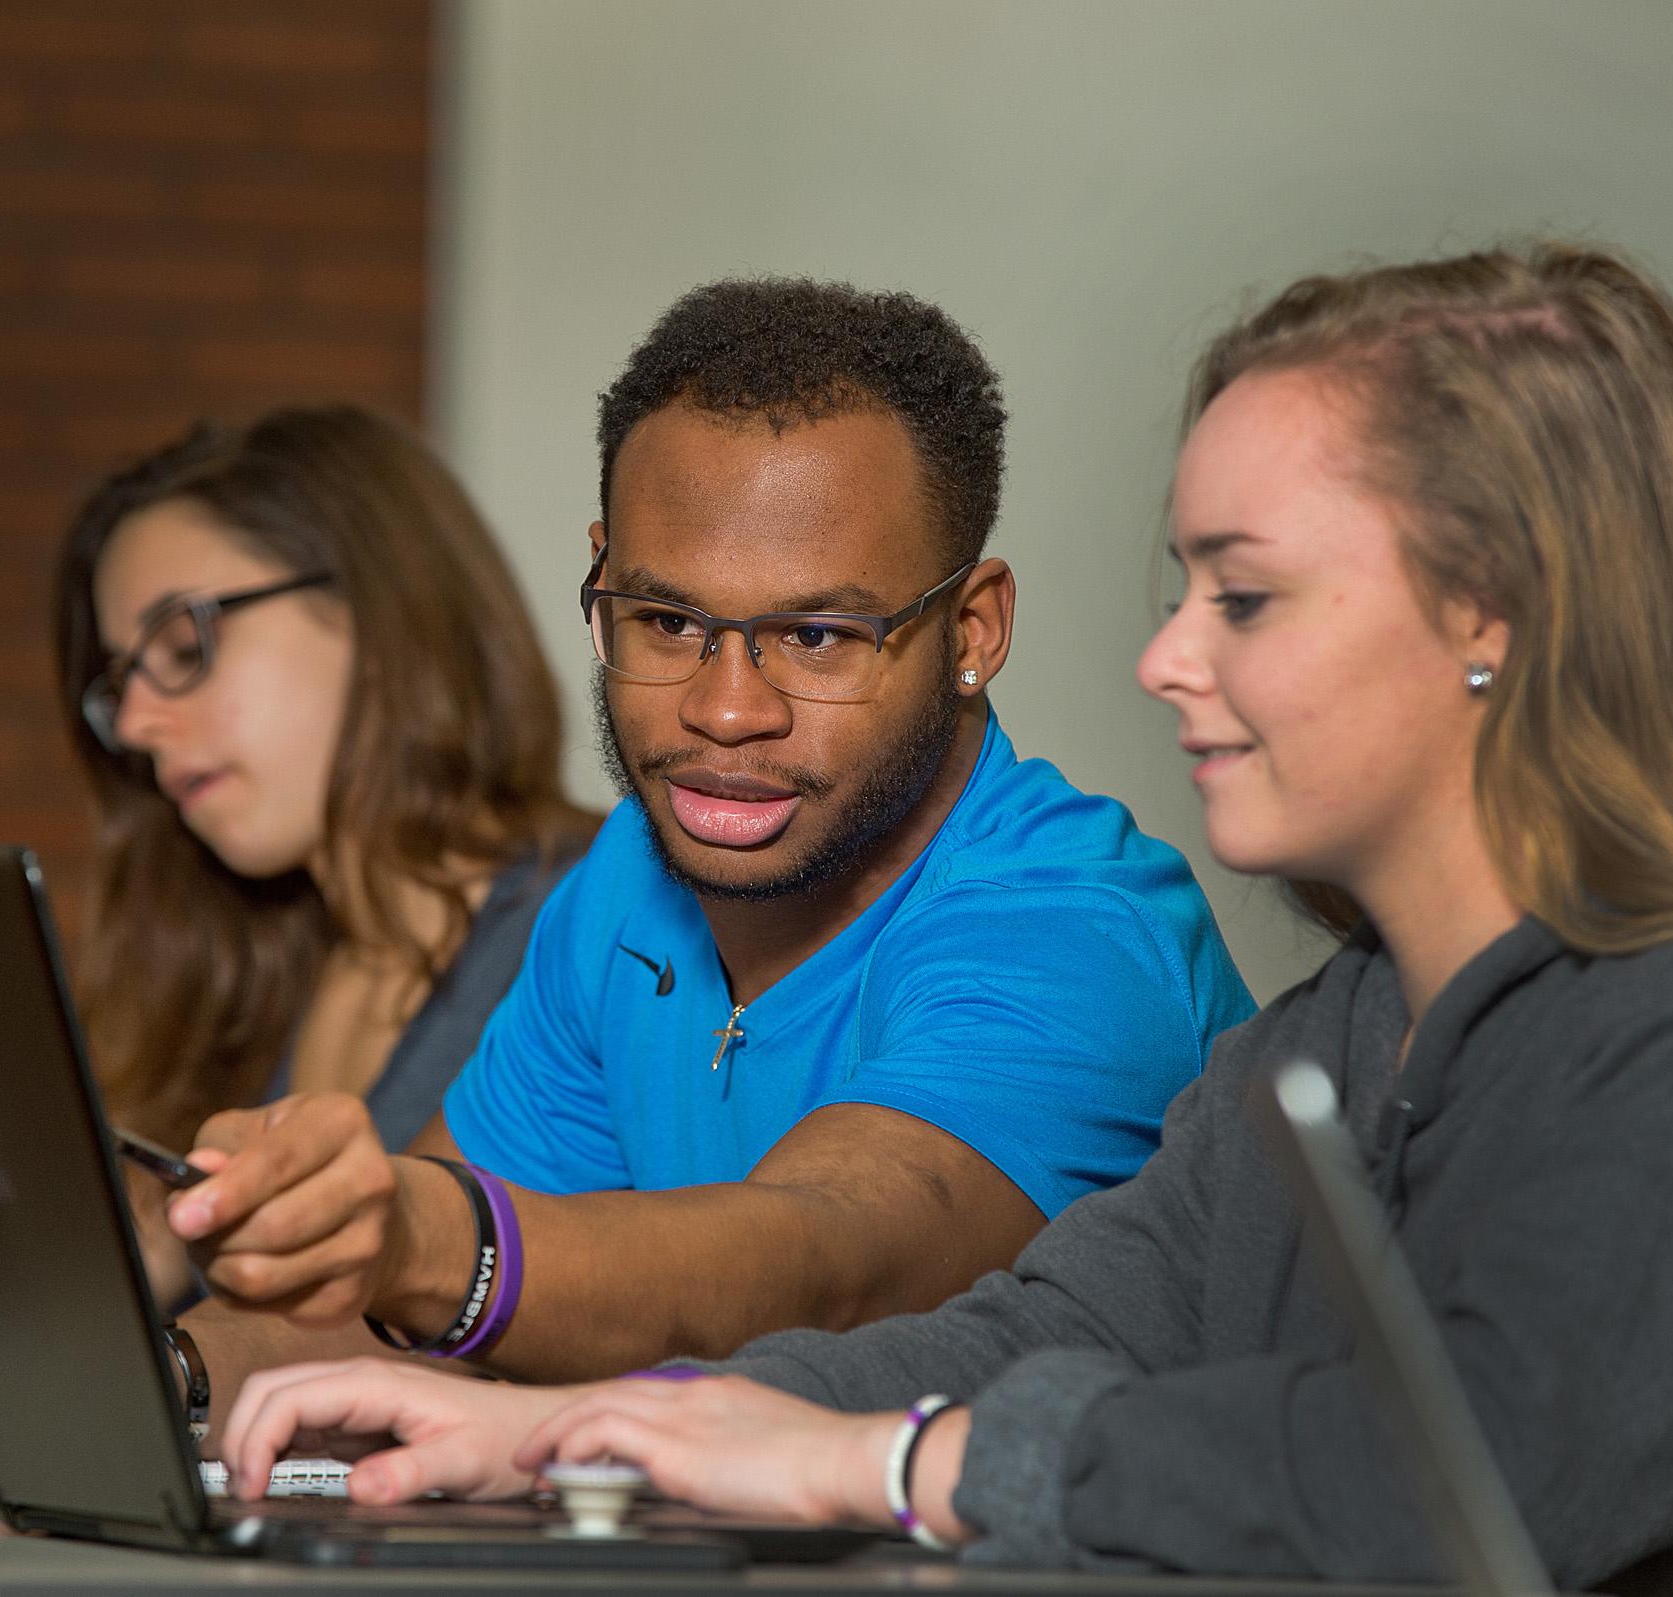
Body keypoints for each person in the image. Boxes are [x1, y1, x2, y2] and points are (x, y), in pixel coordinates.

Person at [216, 243, 1673, 1594]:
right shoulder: (1333, 1040)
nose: (1164, 659)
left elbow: (1470, 1476)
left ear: (1488, 613)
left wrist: (897, 1468)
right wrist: (581, 1434)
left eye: (1242, 597)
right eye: (1184, 588)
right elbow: (1035, 1333)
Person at [101, 279, 1253, 1417]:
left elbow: (825, 1261)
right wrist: (158, 1381)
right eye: (668, 622)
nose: (726, 709)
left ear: (973, 629)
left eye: (816, 634)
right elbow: (394, 1319)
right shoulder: (621, 890)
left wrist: (423, 1236)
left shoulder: (1076, 925)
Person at [0, 405, 598, 1411]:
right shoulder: (254, 967)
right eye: (121, 680)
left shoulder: (592, 927)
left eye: (184, 641)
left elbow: (458, 1332)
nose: (133, 722)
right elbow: (57, 1340)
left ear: (385, 608)